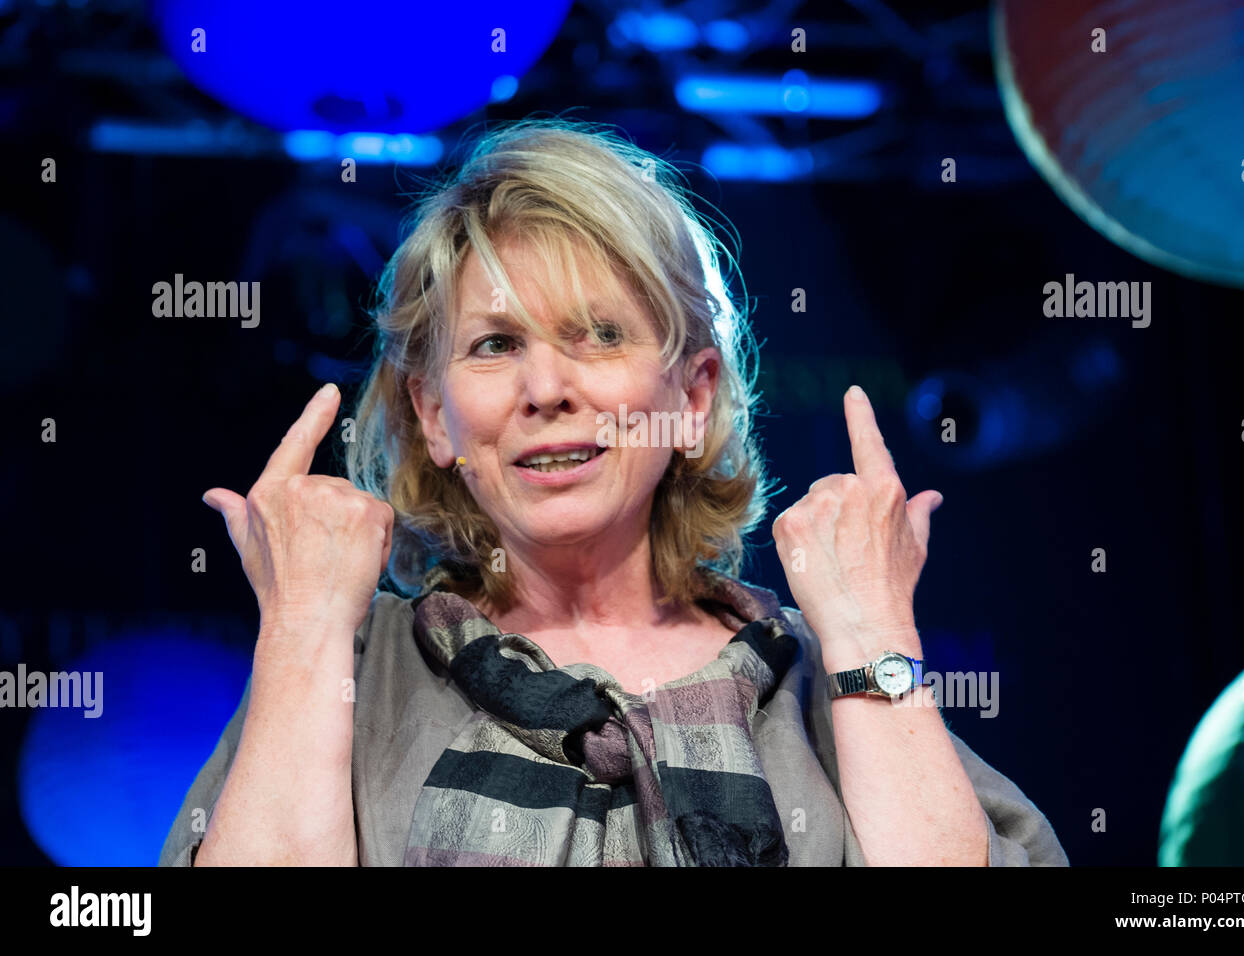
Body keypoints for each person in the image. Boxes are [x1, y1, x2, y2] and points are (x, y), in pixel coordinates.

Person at [160, 118, 1068, 867]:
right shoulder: (356, 666)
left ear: (694, 393)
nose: (547, 389)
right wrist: (303, 628)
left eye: (599, 334)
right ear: (434, 417)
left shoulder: (815, 679)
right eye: (495, 345)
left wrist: (871, 635)